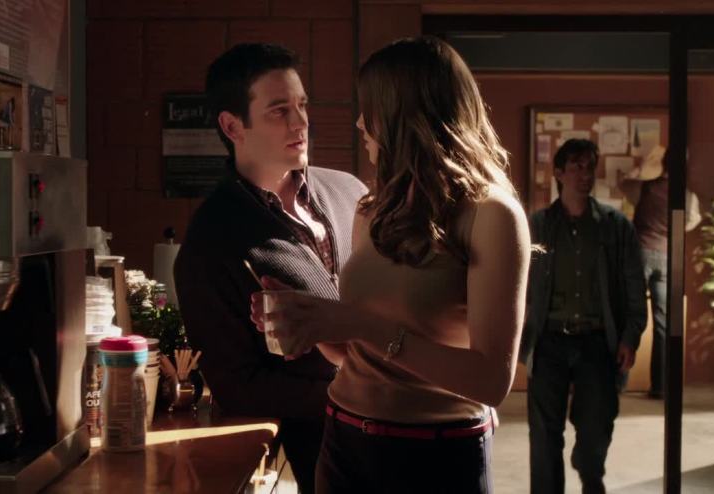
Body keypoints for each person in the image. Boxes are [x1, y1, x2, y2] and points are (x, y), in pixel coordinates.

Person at [251, 36, 531, 493]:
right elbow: (361, 354)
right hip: (343, 442)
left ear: (409, 115)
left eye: (371, 108)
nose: (360, 122)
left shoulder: (492, 215)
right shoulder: (372, 209)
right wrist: (312, 323)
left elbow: (491, 381)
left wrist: (360, 322)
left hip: (437, 455)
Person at [173, 43, 368, 493]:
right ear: (232, 126)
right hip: (330, 456)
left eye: (302, 105)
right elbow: (238, 385)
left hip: (414, 430)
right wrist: (357, 392)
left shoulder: (351, 192)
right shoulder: (212, 243)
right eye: (279, 111)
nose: (300, 122)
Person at [521, 138, 647, 494]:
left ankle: (590, 472)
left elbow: (634, 284)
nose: (585, 173)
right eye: (576, 166)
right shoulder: (539, 225)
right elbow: (519, 284)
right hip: (549, 340)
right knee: (544, 434)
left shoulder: (615, 226)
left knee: (596, 427)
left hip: (596, 340)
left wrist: (630, 336)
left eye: (590, 166)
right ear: (559, 173)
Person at [619, 145, 701, 399]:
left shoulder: (645, 188)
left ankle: (618, 382)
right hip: (667, 257)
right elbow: (691, 221)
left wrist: (643, 165)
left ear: (663, 163)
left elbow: (623, 183)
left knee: (630, 315)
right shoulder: (688, 197)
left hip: (640, 253)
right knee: (664, 323)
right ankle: (660, 386)